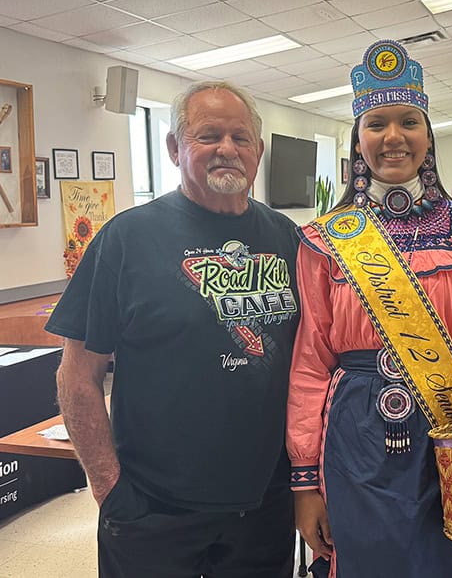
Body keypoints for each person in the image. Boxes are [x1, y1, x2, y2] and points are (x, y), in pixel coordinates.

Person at [288, 40, 452, 578]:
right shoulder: (324, 240)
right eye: (376, 124)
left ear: (428, 136)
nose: (393, 137)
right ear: (359, 140)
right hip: (356, 442)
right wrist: (306, 482)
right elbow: (310, 364)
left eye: (408, 122)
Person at [44, 81, 300, 578]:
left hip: (264, 503)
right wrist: (109, 489)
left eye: (240, 137)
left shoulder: (287, 239)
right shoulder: (125, 239)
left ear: (258, 151)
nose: (227, 149)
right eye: (208, 135)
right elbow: (77, 376)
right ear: (174, 147)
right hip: (153, 507)